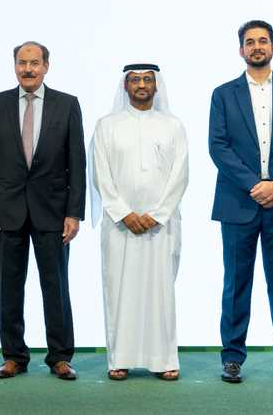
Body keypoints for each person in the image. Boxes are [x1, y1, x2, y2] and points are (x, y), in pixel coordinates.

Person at [209, 20, 273, 384]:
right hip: (238, 203)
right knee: (236, 283)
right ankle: (232, 357)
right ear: (241, 50)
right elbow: (218, 146)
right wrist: (255, 185)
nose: (257, 46)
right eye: (250, 42)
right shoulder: (223, 94)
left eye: (263, 41)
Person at [0, 41, 86, 381]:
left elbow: (77, 163)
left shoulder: (67, 104)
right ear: (14, 66)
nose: (28, 69)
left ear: (46, 66)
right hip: (6, 212)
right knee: (9, 288)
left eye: (34, 63)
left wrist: (74, 213)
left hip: (53, 212)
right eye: (22, 63)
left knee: (56, 287)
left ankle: (60, 357)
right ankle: (13, 356)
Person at [90, 64, 188, 381]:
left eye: (147, 79)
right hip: (120, 225)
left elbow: (180, 174)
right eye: (135, 80)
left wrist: (157, 214)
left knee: (161, 292)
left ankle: (163, 359)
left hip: (161, 225)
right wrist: (124, 212)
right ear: (125, 86)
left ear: (157, 86)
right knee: (120, 290)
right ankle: (119, 359)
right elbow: (100, 173)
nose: (142, 85)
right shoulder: (107, 126)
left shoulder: (173, 126)